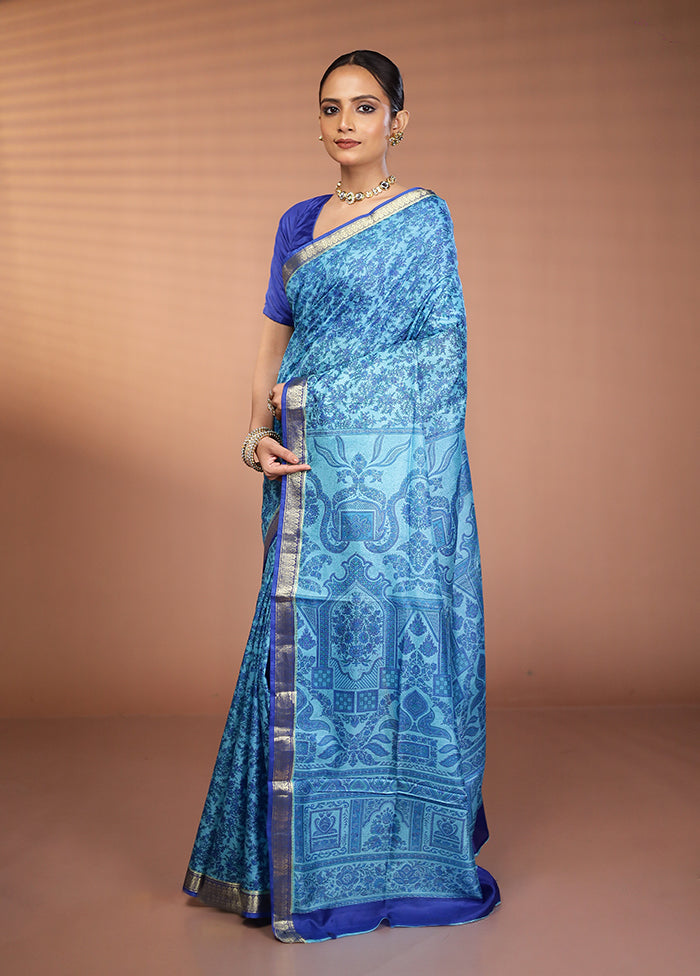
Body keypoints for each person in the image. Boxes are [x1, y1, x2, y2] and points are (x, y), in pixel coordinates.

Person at [183, 50, 500, 944]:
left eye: (365, 107)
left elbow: (441, 349)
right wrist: (256, 433)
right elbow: (273, 342)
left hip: (396, 480)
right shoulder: (297, 222)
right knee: (301, 650)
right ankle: (289, 865)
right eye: (331, 108)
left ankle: (405, 856)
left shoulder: (424, 218)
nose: (346, 123)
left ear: (398, 119)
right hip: (308, 471)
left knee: (394, 642)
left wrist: (347, 412)